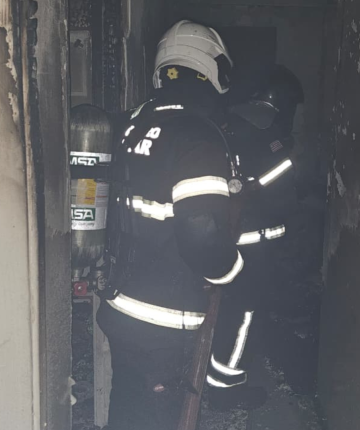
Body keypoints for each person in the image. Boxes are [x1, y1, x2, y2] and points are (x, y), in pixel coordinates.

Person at [96, 20, 244, 430]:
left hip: (120, 304)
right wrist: (230, 270)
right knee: (160, 416)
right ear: (213, 68)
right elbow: (200, 231)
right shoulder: (196, 134)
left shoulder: (131, 122)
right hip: (164, 318)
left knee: (127, 407)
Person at [205, 65, 305, 409]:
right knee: (245, 313)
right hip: (253, 244)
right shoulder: (267, 134)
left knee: (229, 310)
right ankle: (225, 388)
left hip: (226, 239)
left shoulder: (228, 123)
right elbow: (282, 194)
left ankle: (214, 376)